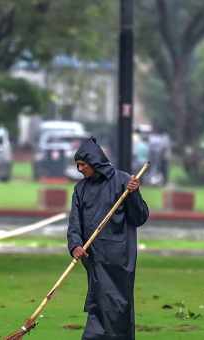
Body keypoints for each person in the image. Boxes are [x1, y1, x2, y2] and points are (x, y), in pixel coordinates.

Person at [67, 137, 149, 340]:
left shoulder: (123, 181)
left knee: (118, 308)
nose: (79, 169)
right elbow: (74, 224)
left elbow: (139, 217)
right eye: (77, 165)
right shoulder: (80, 190)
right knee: (98, 304)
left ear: (95, 162)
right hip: (94, 259)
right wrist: (75, 245)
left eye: (83, 165)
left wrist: (134, 194)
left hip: (119, 262)